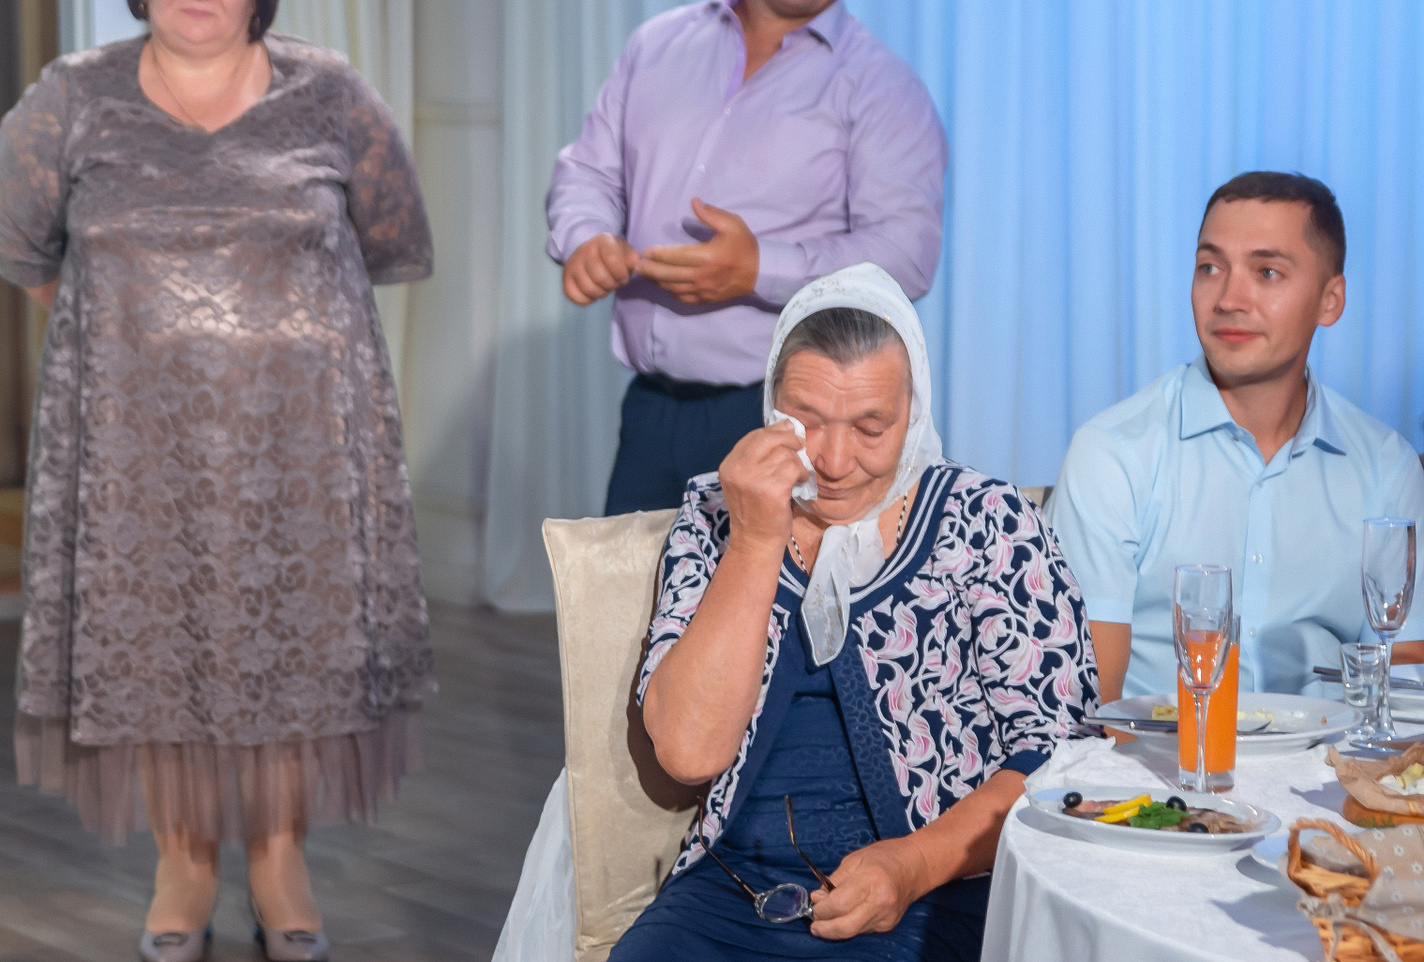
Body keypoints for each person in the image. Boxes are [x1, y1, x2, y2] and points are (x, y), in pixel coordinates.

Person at [0, 0, 434, 962]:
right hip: (134, 448)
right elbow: (23, 246)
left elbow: (393, 236)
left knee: (292, 651)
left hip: (301, 449)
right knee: (158, 650)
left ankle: (280, 857)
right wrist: (144, 336)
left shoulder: (330, 94)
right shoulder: (73, 97)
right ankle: (182, 863)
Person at [608, 263, 1095, 961]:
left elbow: (1058, 757)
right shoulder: (716, 513)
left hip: (939, 887)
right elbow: (689, 753)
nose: (834, 461)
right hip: (734, 885)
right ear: (770, 401)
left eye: (871, 427)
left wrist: (912, 866)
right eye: (805, 422)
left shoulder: (990, 521)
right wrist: (754, 541)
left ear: (914, 412)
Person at [546, 0, 948, 517]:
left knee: (761, 593)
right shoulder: (657, 45)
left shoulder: (884, 90)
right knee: (629, 591)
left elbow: (906, 256)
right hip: (649, 410)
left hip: (784, 423)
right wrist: (586, 236)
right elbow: (588, 170)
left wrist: (759, 268)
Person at [1051, 172, 1424, 701]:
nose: (1229, 298)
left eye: (1267, 272)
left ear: (1330, 300)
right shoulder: (1113, 453)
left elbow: (1402, 684)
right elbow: (1088, 702)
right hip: (1156, 754)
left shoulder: (1386, 466)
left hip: (1331, 754)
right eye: (1210, 267)